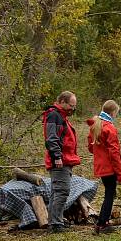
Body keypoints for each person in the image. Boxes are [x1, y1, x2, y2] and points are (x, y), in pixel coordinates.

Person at [43, 91, 81, 233]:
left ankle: (55, 221)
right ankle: (55, 224)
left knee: (57, 191)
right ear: (63, 102)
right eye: (71, 106)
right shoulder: (54, 116)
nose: (73, 109)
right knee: (61, 191)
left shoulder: (61, 116)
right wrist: (57, 156)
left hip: (65, 159)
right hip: (60, 161)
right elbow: (51, 138)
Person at [87, 100, 121, 234]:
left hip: (100, 166)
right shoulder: (110, 128)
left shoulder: (96, 125)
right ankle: (102, 223)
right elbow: (114, 154)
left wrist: (99, 153)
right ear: (113, 112)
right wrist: (120, 174)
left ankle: (102, 222)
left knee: (108, 192)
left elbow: (90, 147)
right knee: (109, 194)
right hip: (109, 167)